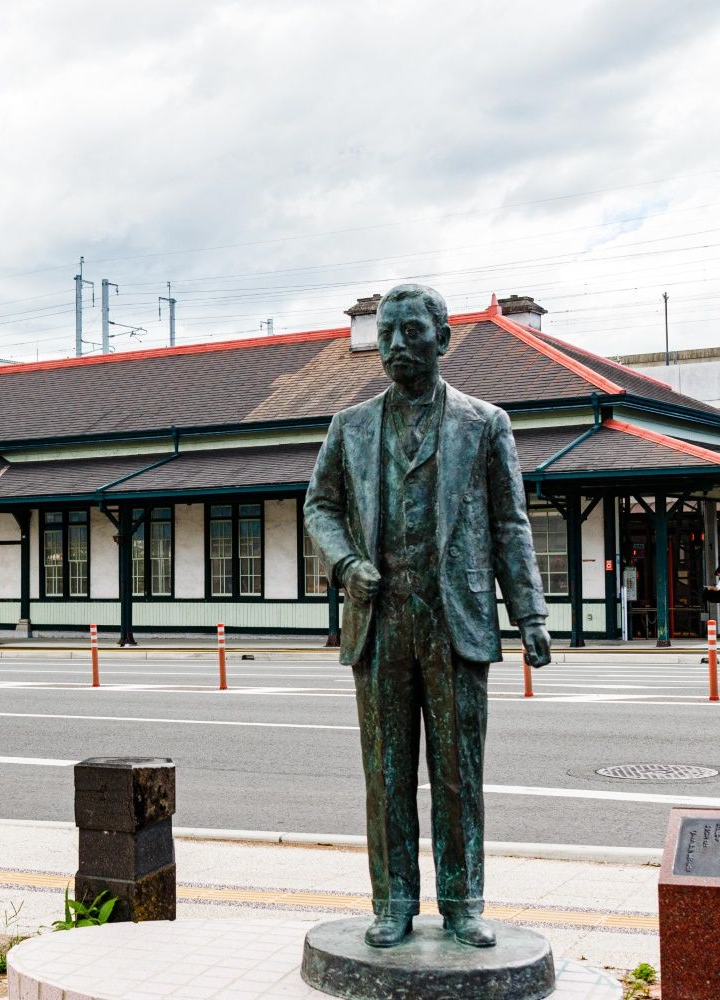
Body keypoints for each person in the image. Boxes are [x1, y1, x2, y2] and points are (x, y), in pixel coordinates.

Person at [304, 283, 551, 950]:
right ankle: (391, 902)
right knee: (385, 772)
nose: (394, 346)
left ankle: (464, 903)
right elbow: (318, 507)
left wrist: (528, 614)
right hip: (380, 621)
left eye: (411, 332)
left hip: (457, 620)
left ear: (442, 339)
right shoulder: (350, 427)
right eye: (386, 333)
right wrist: (347, 562)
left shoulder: (484, 423)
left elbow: (509, 524)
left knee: (457, 773)